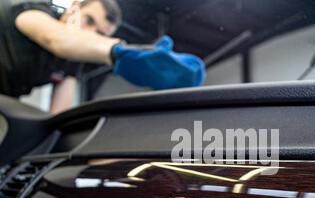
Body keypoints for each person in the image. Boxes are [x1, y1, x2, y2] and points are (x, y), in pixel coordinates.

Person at [0, 0, 205, 114]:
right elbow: (54, 38)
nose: (89, 33)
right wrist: (118, 52)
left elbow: (57, 114)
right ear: (74, 7)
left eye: (100, 34)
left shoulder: (73, 62)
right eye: (88, 20)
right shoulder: (32, 10)